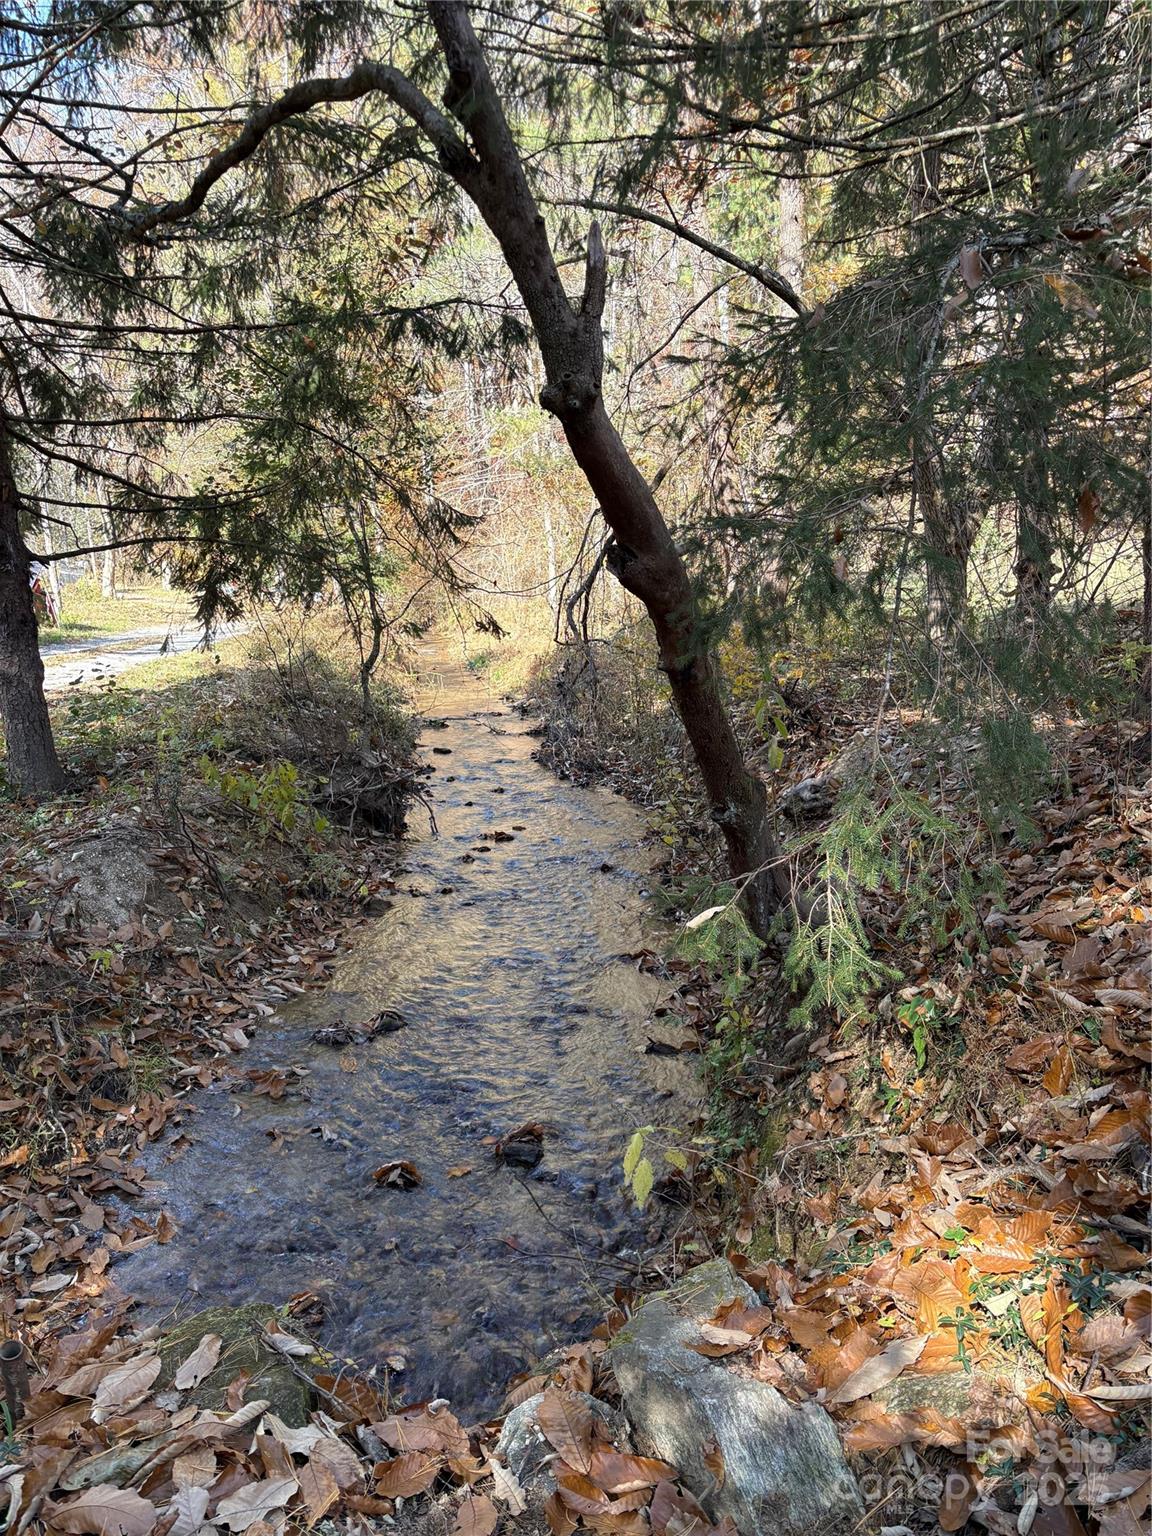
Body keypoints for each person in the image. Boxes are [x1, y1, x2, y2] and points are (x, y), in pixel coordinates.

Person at [29, 560, 59, 626]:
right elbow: (33, 591)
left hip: (39, 597)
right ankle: (44, 620)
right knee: (42, 601)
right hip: (35, 598)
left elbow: (38, 590)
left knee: (49, 599)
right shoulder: (30, 582)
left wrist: (45, 594)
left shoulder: (36, 582)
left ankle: (53, 621)